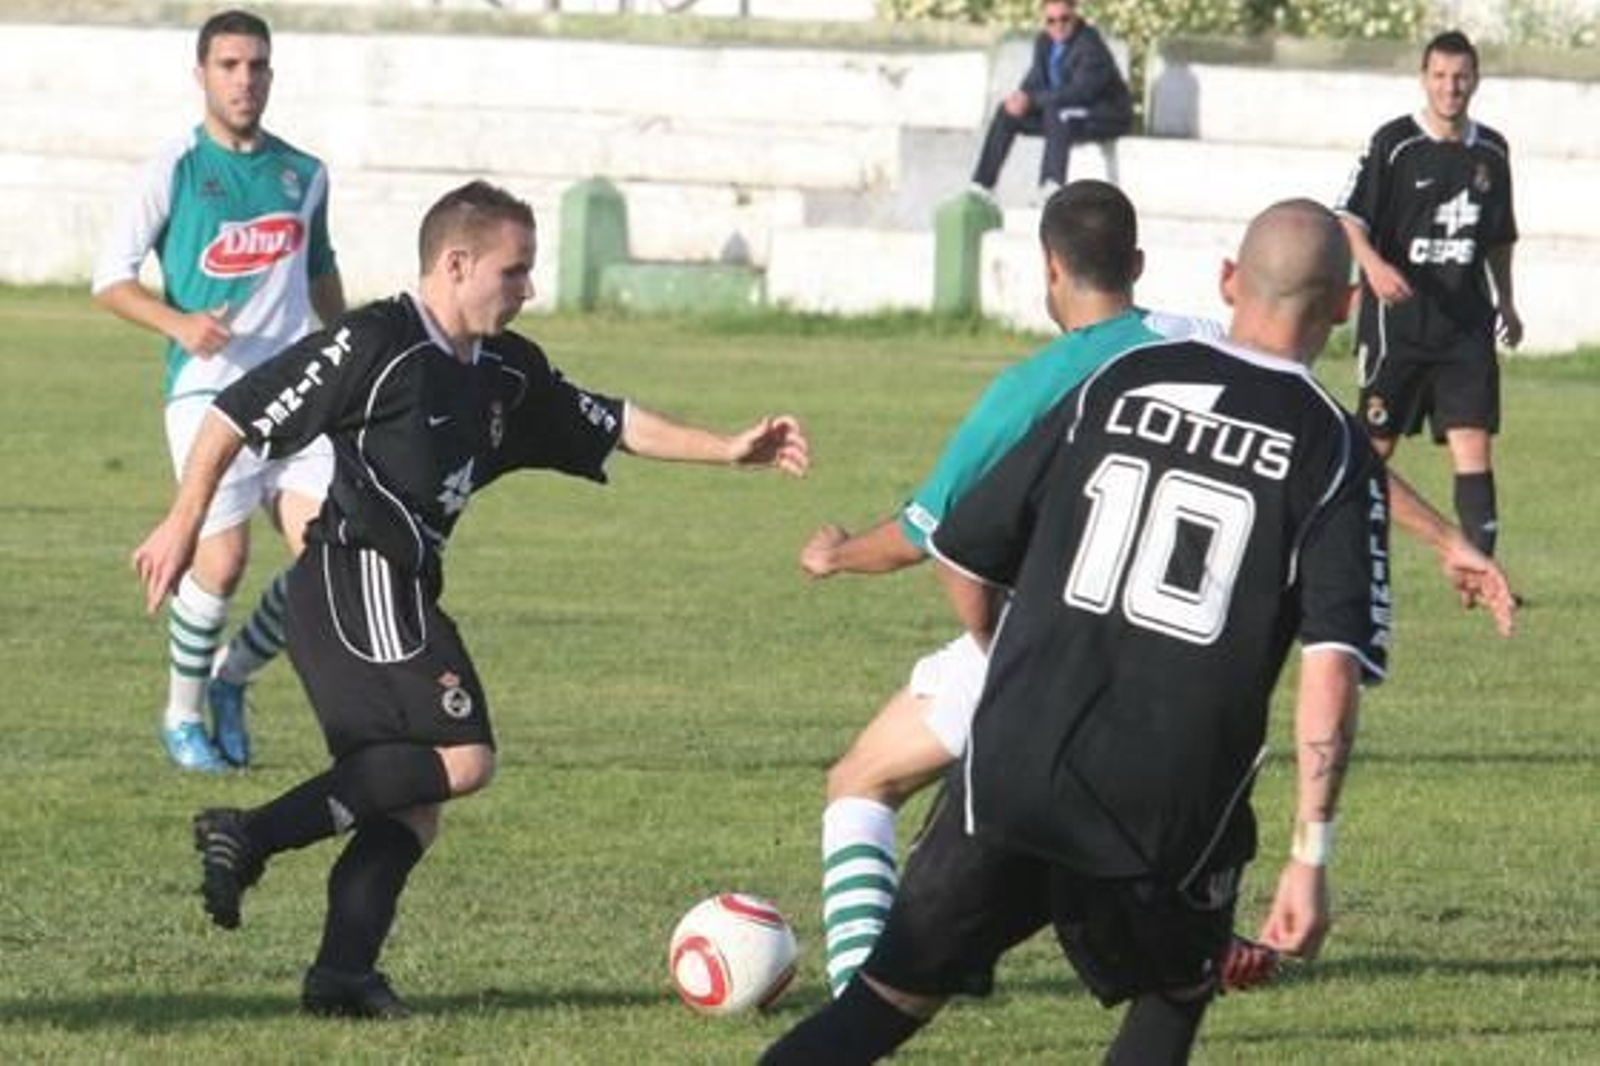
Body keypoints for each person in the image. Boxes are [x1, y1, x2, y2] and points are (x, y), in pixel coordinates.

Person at [801, 182, 1514, 1000]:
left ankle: (867, 982)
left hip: (1052, 640)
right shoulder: (1199, 340)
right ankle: (1188, 947)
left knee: (863, 779)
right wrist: (1448, 537)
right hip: (1183, 659)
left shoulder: (1037, 386)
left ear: (1048, 268)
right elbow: (1336, 453)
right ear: (1138, 266)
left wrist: (836, 553)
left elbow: (936, 537)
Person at [131, 180, 810, 1019]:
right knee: (463, 756)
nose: (528, 290)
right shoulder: (379, 341)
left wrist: (729, 447)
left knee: (412, 805)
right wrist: (181, 523)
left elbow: (612, 419)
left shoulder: (502, 369)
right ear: (457, 264)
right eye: (515, 271)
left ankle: (341, 976)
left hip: (394, 588)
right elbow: (234, 414)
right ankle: (252, 832)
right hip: (357, 578)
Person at [93, 9, 347, 772]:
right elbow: (109, 280)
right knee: (224, 558)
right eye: (230, 65)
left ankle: (232, 678)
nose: (245, 79)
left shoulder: (305, 172)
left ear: (272, 73)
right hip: (208, 392)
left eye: (257, 65)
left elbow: (319, 271)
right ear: (201, 73)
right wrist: (178, 323)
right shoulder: (170, 167)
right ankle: (182, 714)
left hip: (298, 390)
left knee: (329, 555)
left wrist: (351, 358)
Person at [1335, 29, 1521, 559]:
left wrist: (1506, 300)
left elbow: (1501, 237)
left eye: (1460, 76)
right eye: (1440, 76)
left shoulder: (1493, 151)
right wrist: (1372, 266)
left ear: (1476, 80)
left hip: (1465, 326)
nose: (1450, 87)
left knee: (1473, 442)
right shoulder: (1395, 143)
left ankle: (1480, 569)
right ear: (1424, 80)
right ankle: (1344, 550)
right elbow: (1348, 217)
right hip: (1400, 326)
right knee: (1374, 448)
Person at [969, 0, 1132, 201]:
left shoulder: (1090, 44)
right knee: (1007, 111)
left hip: (1104, 115)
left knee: (1059, 112)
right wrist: (1021, 97)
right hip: (1060, 115)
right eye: (1051, 21)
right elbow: (1035, 80)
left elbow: (1081, 93)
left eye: (1065, 19)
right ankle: (982, 185)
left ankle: (1051, 188)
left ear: (1075, 15)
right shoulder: (1045, 42)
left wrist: (1033, 99)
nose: (1058, 26)